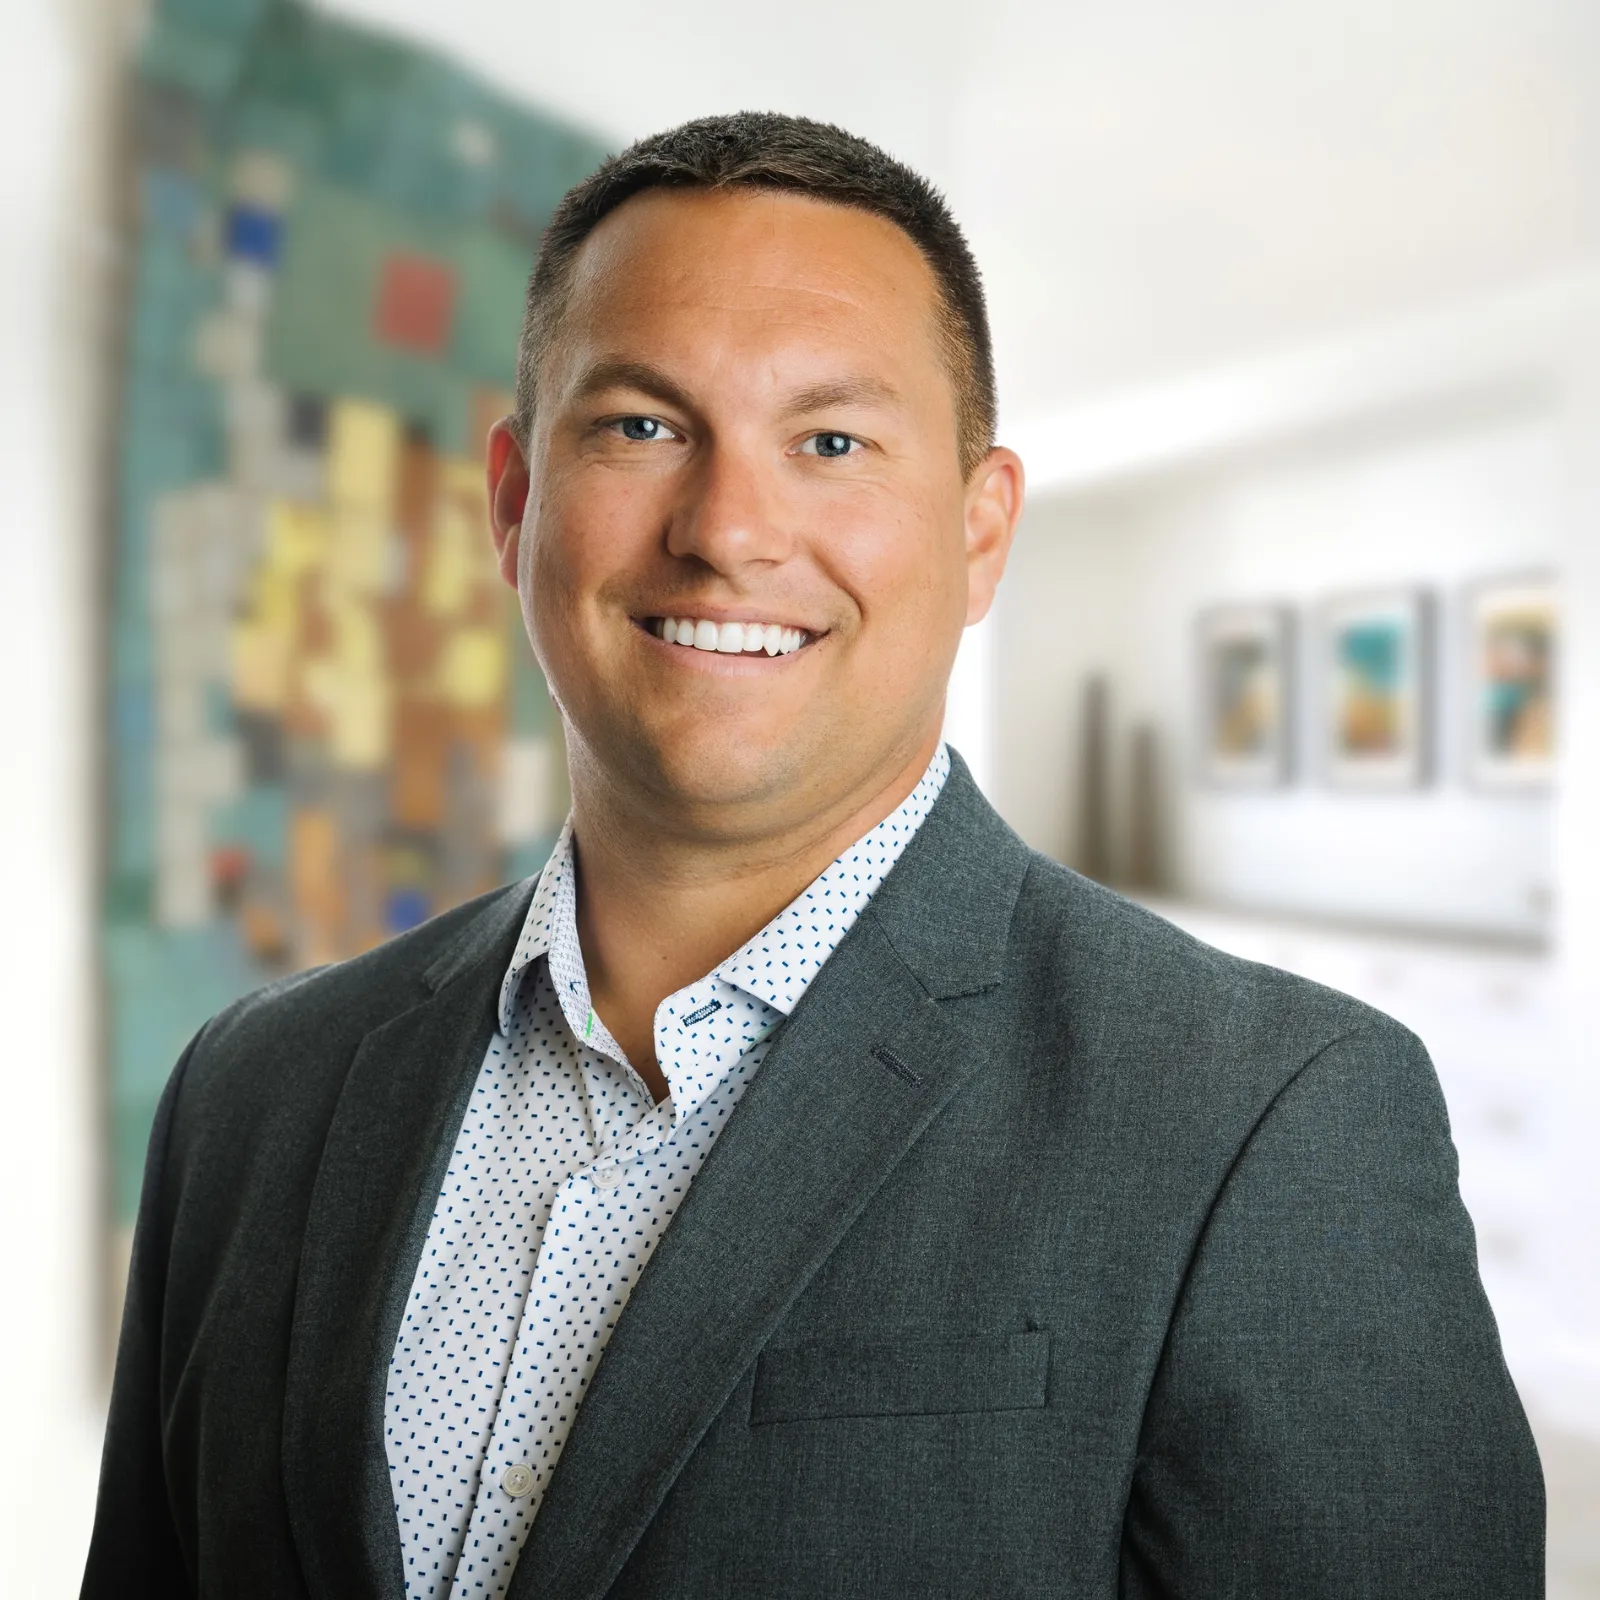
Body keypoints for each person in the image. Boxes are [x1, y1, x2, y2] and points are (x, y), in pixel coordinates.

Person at [83, 112, 1542, 1600]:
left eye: (832, 443)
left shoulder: (1267, 1122)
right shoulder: (249, 1094)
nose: (728, 531)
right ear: (517, 504)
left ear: (980, 534)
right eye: (642, 427)